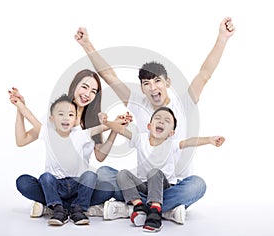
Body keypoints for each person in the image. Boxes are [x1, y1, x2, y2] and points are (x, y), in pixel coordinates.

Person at [74, 17, 235, 223]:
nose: (152, 88)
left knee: (197, 185)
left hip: (173, 185)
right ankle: (161, 209)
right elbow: (109, 76)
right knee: (105, 173)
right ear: (141, 87)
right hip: (141, 183)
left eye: (157, 81)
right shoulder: (137, 103)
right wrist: (87, 44)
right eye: (146, 83)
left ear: (167, 82)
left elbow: (205, 74)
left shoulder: (183, 105)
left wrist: (222, 38)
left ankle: (131, 208)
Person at [9, 87, 131, 225]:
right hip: (55, 186)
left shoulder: (81, 134)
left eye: (71, 115)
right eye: (61, 114)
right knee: (38, 179)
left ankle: (70, 208)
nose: (66, 118)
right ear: (52, 118)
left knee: (95, 179)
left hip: (78, 186)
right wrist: (19, 105)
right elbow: (30, 117)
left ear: (75, 120)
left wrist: (117, 122)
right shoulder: (48, 133)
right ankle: (60, 207)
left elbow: (104, 127)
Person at [99, 107, 225, 232]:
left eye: (167, 121)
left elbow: (190, 142)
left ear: (171, 133)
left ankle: (153, 209)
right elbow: (121, 130)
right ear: (149, 126)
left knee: (196, 184)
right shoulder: (140, 139)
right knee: (117, 174)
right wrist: (106, 122)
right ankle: (141, 207)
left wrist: (209, 140)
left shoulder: (172, 144)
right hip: (143, 188)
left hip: (164, 188)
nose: (161, 121)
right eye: (157, 118)